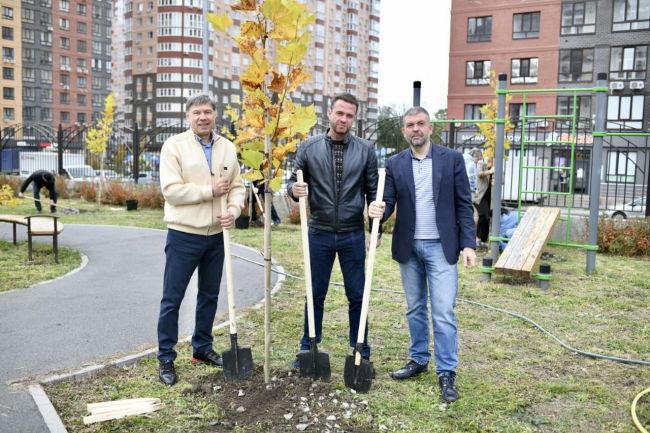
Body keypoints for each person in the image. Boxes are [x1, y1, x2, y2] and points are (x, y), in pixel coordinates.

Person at [368, 107, 476, 403]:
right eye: (409, 125)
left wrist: (468, 245)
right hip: (408, 246)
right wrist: (375, 216)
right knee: (415, 308)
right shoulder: (394, 163)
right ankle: (418, 359)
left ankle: (446, 372)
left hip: (442, 247)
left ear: (430, 128)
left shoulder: (451, 160)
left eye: (420, 124)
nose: (415, 129)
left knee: (443, 312)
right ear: (404, 132)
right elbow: (386, 201)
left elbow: (464, 205)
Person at [156, 94, 246, 386]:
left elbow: (236, 187)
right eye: (197, 112)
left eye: (208, 111)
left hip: (216, 236)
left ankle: (202, 348)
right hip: (184, 234)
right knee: (173, 297)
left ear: (215, 115)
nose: (203, 117)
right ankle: (166, 357)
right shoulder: (174, 147)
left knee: (209, 295)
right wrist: (209, 190)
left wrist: (232, 210)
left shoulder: (227, 148)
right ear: (188, 116)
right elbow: (171, 191)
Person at [287, 93, 379, 367]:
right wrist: (294, 190)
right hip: (319, 231)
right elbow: (294, 183)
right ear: (329, 113)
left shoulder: (365, 150)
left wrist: (376, 230)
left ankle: (361, 348)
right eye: (340, 113)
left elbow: (374, 194)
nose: (344, 119)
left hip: (352, 233)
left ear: (355, 118)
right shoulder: (308, 148)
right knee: (315, 293)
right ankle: (308, 347)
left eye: (350, 115)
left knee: (357, 294)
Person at [470, 148, 492, 249]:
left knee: (486, 217)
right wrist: (490, 171)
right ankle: (478, 239)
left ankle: (483, 240)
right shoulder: (479, 164)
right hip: (479, 195)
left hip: (487, 194)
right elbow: (479, 174)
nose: (477, 157)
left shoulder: (489, 163)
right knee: (483, 215)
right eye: (475, 155)